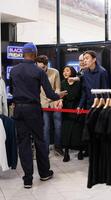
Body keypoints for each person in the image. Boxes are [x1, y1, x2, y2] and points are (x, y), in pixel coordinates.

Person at [9, 42, 67, 189]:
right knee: (40, 141)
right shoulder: (38, 72)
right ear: (34, 55)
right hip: (33, 110)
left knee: (23, 143)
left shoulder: (14, 71)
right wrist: (58, 95)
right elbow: (49, 94)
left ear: (23, 54)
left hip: (18, 110)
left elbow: (12, 89)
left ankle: (27, 179)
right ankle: (44, 173)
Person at [36, 55, 63, 156]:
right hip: (43, 104)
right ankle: (45, 150)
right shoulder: (35, 73)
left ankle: (58, 147)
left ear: (47, 65)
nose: (41, 70)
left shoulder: (55, 72)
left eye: (43, 67)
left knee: (58, 126)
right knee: (45, 127)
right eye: (38, 67)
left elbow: (58, 88)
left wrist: (57, 100)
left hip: (55, 102)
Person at [61, 66, 84, 162]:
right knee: (66, 131)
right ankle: (66, 153)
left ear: (72, 72)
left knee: (78, 131)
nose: (64, 73)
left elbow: (82, 95)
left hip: (77, 107)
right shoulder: (63, 83)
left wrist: (80, 106)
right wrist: (60, 100)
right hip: (66, 109)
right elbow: (62, 95)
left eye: (67, 71)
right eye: (63, 71)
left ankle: (80, 151)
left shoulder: (78, 82)